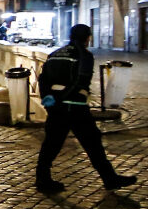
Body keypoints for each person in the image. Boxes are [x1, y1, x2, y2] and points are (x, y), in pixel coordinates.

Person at [35, 24, 136, 193]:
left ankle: (42, 179)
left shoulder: (54, 54)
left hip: (56, 108)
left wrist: (48, 100)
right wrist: (65, 98)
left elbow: (42, 79)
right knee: (92, 142)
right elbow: (80, 81)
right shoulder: (85, 55)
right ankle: (109, 178)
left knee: (51, 144)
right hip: (75, 107)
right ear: (87, 37)